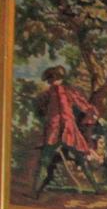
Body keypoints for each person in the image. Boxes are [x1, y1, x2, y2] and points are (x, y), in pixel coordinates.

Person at [32, 65, 100, 196]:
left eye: (54, 78)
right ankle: (35, 191)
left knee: (81, 158)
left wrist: (92, 113)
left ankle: (97, 188)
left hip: (69, 130)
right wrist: (46, 117)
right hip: (54, 129)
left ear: (60, 78)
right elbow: (39, 109)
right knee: (45, 160)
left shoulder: (68, 91)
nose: (52, 81)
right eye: (50, 79)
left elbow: (83, 105)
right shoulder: (47, 94)